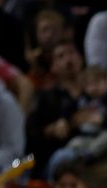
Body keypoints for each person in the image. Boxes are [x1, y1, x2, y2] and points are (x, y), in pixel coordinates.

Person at [45, 66, 107, 172]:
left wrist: (103, 120)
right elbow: (68, 109)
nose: (94, 88)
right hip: (86, 137)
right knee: (74, 143)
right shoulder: (83, 99)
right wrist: (62, 119)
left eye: (97, 83)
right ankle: (76, 159)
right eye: (89, 85)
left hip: (102, 136)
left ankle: (87, 157)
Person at [25, 40, 84, 178]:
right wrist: (51, 130)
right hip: (59, 162)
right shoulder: (46, 98)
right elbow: (31, 136)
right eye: (61, 56)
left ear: (81, 58)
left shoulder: (99, 94)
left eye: (71, 53)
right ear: (53, 67)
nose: (68, 59)